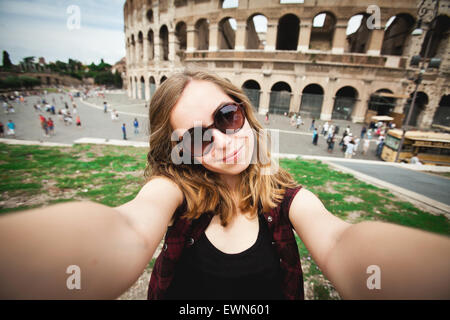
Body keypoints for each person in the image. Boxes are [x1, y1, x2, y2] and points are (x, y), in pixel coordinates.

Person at [0, 69, 449, 300]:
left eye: (226, 117)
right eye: (196, 136)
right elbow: (127, 229)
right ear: (180, 151)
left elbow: (341, 243)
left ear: (244, 111)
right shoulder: (173, 192)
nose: (222, 141)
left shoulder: (289, 199)